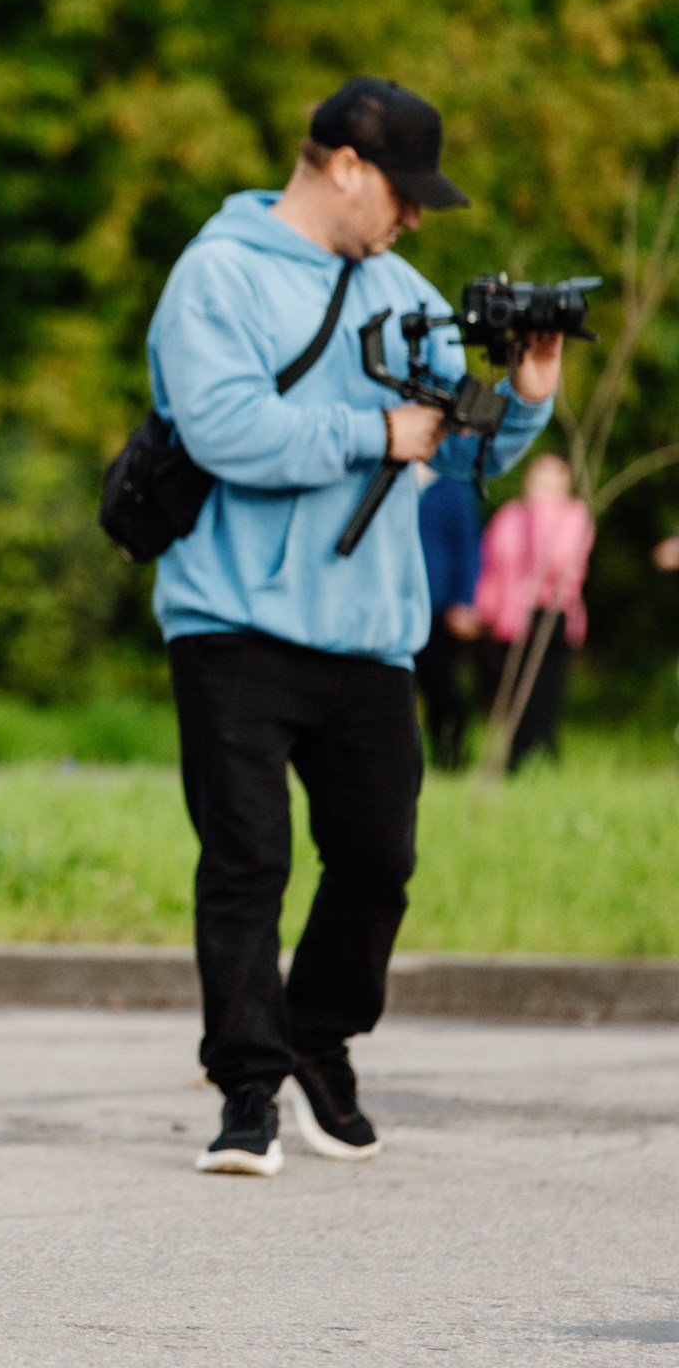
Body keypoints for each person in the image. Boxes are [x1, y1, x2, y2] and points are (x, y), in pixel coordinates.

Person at [147, 76, 561, 1177]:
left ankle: (319, 1039)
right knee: (247, 863)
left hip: (372, 629)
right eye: (405, 192)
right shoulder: (217, 275)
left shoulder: (410, 292)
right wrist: (375, 429)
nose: (415, 217)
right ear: (342, 166)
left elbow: (461, 456)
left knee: (379, 859)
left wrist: (523, 395)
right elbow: (228, 430)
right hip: (233, 618)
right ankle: (247, 1090)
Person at [473, 453, 593, 770]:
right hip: (510, 620)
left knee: (543, 695)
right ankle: (514, 760)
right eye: (540, 481)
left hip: (550, 614)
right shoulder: (509, 516)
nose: (545, 489)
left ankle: (542, 761)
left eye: (553, 482)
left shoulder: (574, 516)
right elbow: (492, 566)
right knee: (511, 695)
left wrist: (542, 513)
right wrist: (483, 608)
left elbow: (556, 564)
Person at [413, 464, 485, 768]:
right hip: (396, 602)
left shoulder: (453, 486)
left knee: (442, 687)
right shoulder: (389, 476)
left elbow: (467, 546)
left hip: (440, 605)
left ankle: (451, 759)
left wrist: (464, 600)